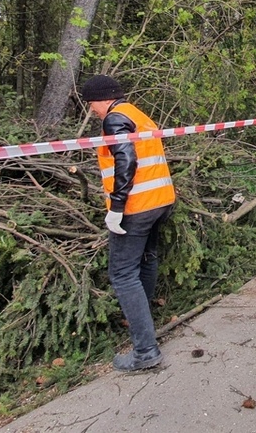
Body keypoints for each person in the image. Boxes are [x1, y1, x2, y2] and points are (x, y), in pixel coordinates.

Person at [80, 75, 176, 372]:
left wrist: (117, 207)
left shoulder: (114, 119)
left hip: (137, 207)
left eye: (92, 104)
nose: (92, 110)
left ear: (103, 98)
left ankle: (145, 351)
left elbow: (126, 160)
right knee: (146, 260)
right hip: (161, 200)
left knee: (122, 273)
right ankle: (141, 322)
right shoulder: (137, 113)